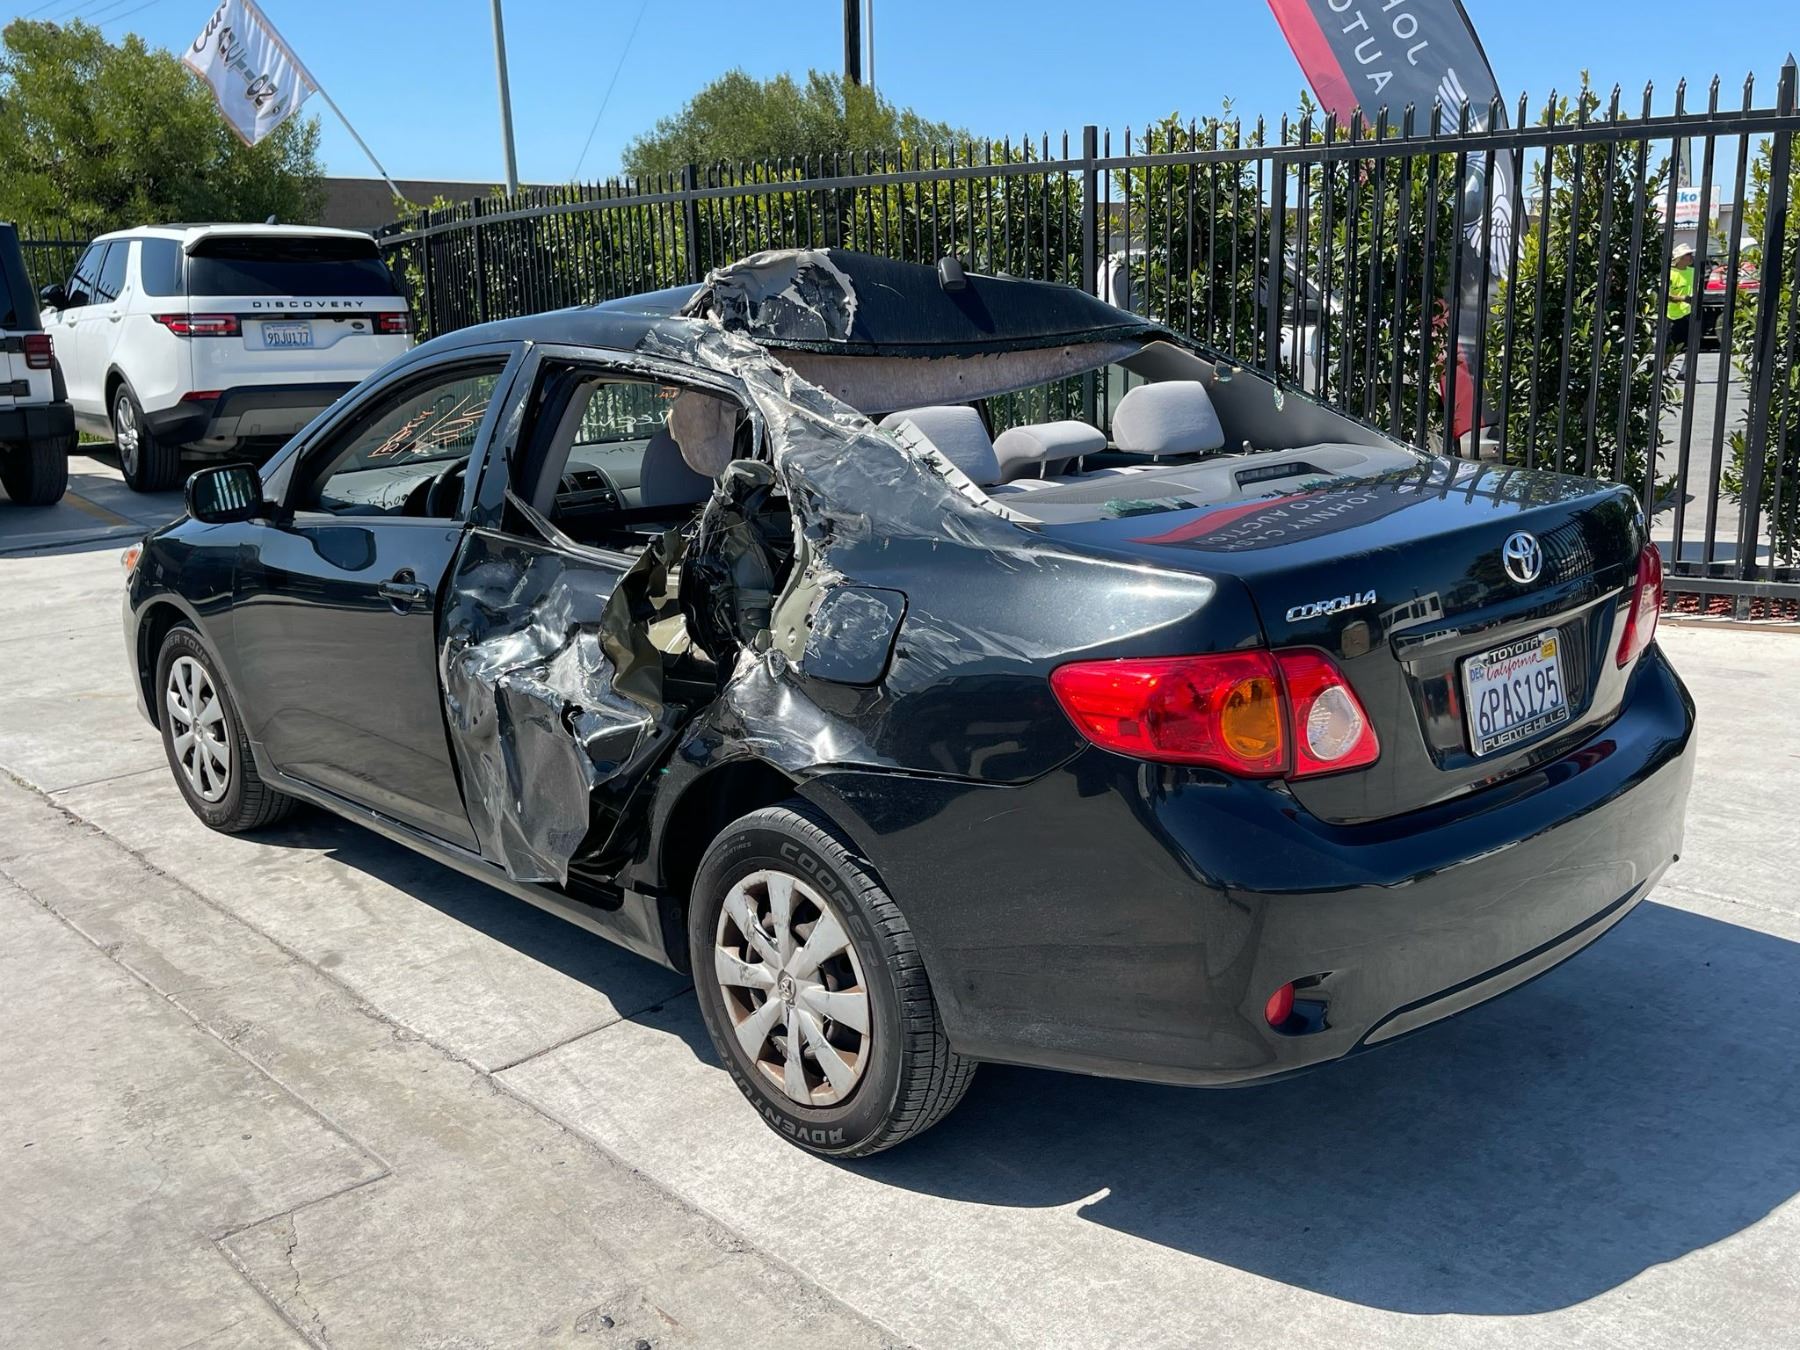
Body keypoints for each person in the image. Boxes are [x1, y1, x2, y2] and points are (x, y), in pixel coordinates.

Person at [1666, 242, 1697, 377]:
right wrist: (1682, 298)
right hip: (1671, 314)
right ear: (1680, 258)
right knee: (1670, 346)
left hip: (1688, 313)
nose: (1691, 257)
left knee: (1691, 344)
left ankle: (1684, 372)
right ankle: (1664, 371)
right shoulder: (1670, 273)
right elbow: (1665, 295)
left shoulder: (1693, 272)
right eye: (1688, 255)